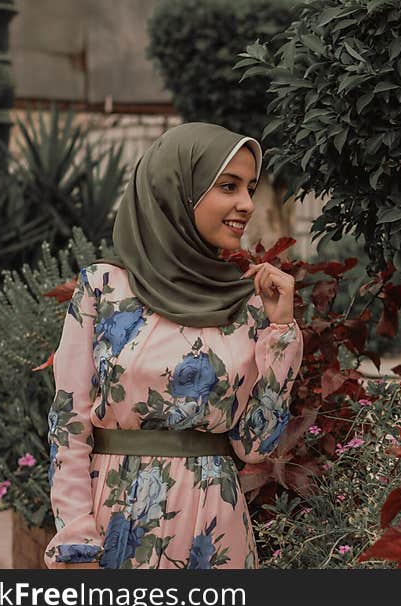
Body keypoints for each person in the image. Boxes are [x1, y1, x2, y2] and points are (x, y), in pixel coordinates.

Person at [43, 122, 303, 569]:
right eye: (228, 186)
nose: (245, 204)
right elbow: (69, 423)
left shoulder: (250, 302)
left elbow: (255, 445)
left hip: (215, 530)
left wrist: (282, 332)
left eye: (250, 188)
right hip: (115, 529)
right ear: (176, 190)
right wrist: (76, 537)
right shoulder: (104, 288)